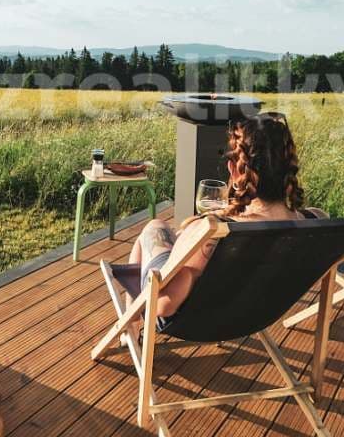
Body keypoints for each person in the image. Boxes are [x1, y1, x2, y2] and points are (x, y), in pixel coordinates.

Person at [127, 111, 317, 321]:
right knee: (181, 244)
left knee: (154, 227)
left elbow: (163, 307)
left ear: (235, 171)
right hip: (253, 311)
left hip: (194, 316)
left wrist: (194, 231)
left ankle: (130, 325)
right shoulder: (315, 222)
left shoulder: (212, 233)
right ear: (289, 168)